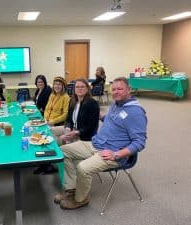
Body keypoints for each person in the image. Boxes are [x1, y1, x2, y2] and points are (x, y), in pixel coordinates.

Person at [55, 77, 147, 210]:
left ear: (129, 90)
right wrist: (101, 115)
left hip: (112, 153)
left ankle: (81, 199)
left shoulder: (136, 112)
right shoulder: (116, 104)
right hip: (96, 144)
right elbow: (114, 121)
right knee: (62, 152)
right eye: (113, 89)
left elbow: (140, 142)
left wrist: (117, 154)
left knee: (83, 168)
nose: (115, 92)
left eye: (120, 89)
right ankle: (72, 190)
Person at [34, 76, 70, 175]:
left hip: (57, 124)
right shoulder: (52, 95)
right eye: (55, 84)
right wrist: (45, 119)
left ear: (63, 86)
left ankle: (48, 165)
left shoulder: (66, 97)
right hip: (47, 122)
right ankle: (43, 163)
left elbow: (65, 114)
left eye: (59, 84)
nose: (57, 86)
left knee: (45, 140)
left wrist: (52, 121)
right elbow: (47, 109)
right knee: (36, 136)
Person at [51, 79, 99, 146]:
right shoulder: (73, 101)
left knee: (60, 140)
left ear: (87, 89)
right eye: (77, 87)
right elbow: (68, 119)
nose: (80, 89)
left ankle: (60, 149)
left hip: (83, 135)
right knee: (50, 131)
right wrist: (68, 127)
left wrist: (76, 132)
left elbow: (91, 127)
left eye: (82, 87)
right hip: (73, 129)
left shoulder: (92, 103)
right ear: (74, 89)